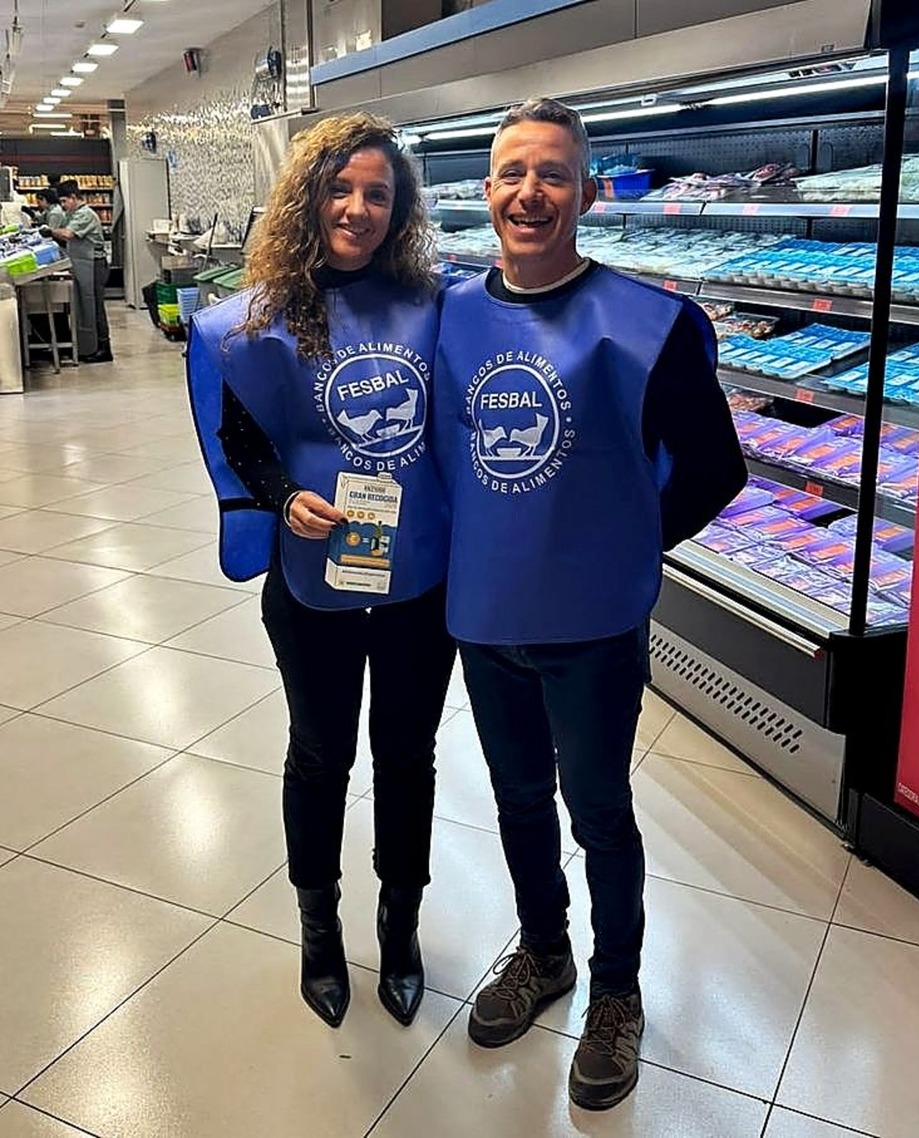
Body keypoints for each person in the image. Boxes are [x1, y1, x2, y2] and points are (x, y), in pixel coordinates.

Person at [433, 97, 747, 1111]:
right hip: (484, 618)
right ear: (486, 191)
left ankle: (615, 989)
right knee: (518, 798)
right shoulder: (447, 315)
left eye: (553, 173)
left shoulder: (643, 325)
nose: (531, 191)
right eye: (512, 172)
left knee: (600, 810)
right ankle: (543, 951)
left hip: (594, 629)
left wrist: (626, 540)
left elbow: (714, 466)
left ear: (585, 190)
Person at [186, 113, 456, 1031]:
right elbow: (239, 436)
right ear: (307, 199)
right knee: (320, 752)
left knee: (408, 756)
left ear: (399, 207)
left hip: (420, 580)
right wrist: (281, 492)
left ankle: (402, 920)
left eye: (377, 193)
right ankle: (317, 923)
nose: (358, 208)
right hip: (313, 579)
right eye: (340, 190)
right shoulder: (256, 320)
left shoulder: (436, 304)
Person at [46, 180, 112, 363]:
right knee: (85, 306)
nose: (63, 205)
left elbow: (68, 234)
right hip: (84, 264)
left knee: (95, 306)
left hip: (94, 264)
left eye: (64, 201)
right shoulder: (73, 213)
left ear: (74, 197)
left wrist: (50, 231)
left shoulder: (85, 214)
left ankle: (103, 348)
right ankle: (89, 346)